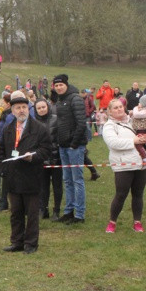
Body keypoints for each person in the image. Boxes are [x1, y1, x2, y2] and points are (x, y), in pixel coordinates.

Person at [0, 91, 52, 253]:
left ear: (28, 109)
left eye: (24, 107)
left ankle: (31, 243)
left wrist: (33, 157)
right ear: (12, 110)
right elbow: (1, 150)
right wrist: (5, 168)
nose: (21, 110)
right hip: (12, 177)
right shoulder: (8, 129)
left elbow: (46, 150)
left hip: (31, 176)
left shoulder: (39, 129)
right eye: (18, 107)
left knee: (32, 213)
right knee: (15, 212)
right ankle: (17, 241)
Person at [102, 99, 146, 233]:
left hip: (142, 164)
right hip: (123, 164)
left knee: (138, 194)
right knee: (121, 194)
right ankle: (112, 222)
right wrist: (134, 141)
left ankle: (137, 222)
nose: (119, 109)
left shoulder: (134, 120)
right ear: (110, 111)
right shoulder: (109, 125)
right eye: (115, 108)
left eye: (120, 106)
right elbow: (113, 143)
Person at [53, 74, 88, 224]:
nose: (59, 87)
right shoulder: (60, 100)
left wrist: (74, 143)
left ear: (66, 84)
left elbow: (81, 123)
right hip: (63, 146)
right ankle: (68, 211)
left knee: (77, 180)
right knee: (67, 180)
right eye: (56, 85)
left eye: (61, 85)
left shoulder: (75, 99)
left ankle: (79, 214)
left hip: (75, 146)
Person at [35, 98, 63, 220]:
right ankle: (43, 209)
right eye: (39, 108)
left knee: (57, 186)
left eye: (43, 107)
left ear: (47, 107)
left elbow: (60, 137)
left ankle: (56, 210)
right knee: (42, 186)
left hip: (56, 158)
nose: (41, 110)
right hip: (41, 159)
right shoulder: (34, 122)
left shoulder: (56, 119)